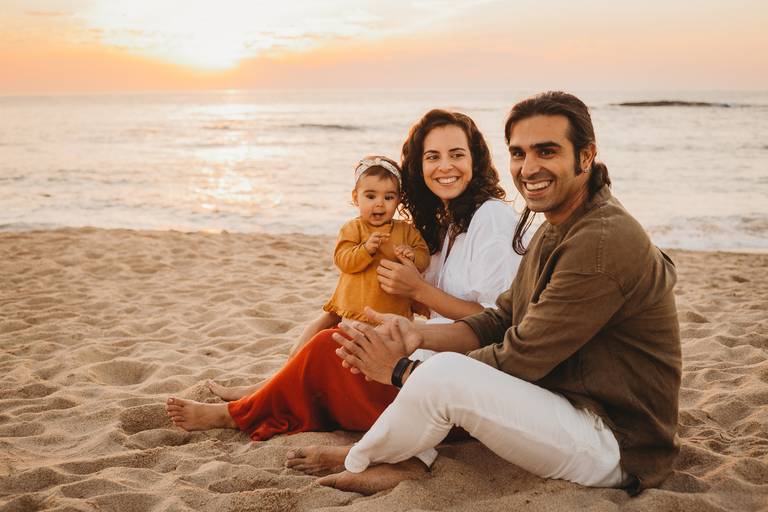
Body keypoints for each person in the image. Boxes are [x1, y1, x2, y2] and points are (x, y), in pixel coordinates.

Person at [323, 91, 682, 496]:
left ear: (586, 156)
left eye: (546, 151)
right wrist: (414, 333)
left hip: (616, 441)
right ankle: (395, 454)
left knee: (443, 374)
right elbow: (500, 317)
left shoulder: (600, 241)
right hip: (569, 404)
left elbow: (521, 356)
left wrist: (399, 370)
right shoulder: (558, 225)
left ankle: (373, 455)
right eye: (518, 153)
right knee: (437, 363)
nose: (528, 168)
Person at [164, 110, 521, 457]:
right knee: (329, 326)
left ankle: (234, 414)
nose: (445, 166)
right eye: (432, 156)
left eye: (457, 154)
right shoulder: (448, 224)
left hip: (458, 384)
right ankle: (264, 389)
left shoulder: (491, 218)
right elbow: (427, 302)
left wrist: (417, 290)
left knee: (328, 349)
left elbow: (496, 320)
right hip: (425, 360)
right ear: (419, 166)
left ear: (475, 160)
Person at [288, 155, 430, 357]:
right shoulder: (353, 228)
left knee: (387, 352)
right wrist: (366, 249)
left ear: (398, 200)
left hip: (393, 312)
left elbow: (424, 258)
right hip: (356, 311)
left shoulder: (406, 231)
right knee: (353, 350)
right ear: (356, 198)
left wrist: (413, 255)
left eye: (388, 197)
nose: (379, 204)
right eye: (371, 196)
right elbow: (343, 260)